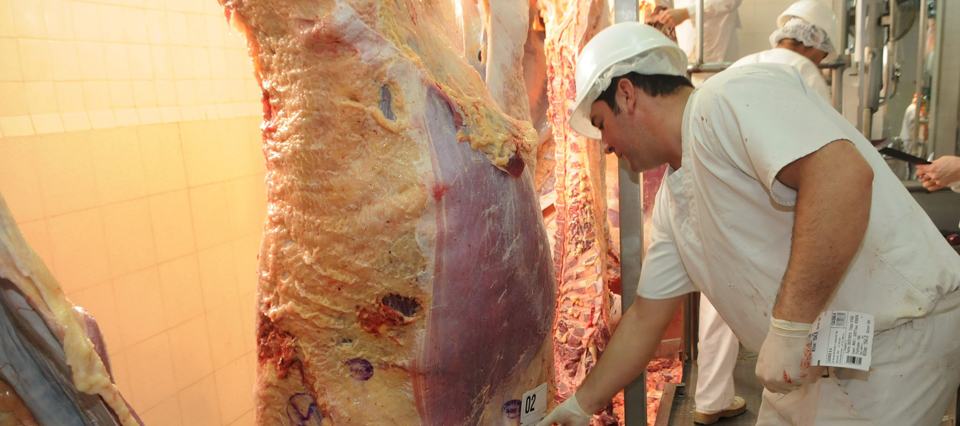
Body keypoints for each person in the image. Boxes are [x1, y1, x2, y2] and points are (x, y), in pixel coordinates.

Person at [538, 22, 960, 426]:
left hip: (894, 338)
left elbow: (841, 177)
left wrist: (790, 327)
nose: (606, 145)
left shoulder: (728, 97)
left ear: (627, 94)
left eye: (601, 124)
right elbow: (646, 317)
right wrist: (581, 404)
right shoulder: (673, 202)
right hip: (811, 362)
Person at [731, 0, 838, 101]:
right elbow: (821, 114)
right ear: (816, 42)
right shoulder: (806, 73)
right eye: (824, 55)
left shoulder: (740, 64)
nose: (819, 63)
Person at [655, 0, 742, 85]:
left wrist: (686, 13)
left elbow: (730, 1)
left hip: (715, 49)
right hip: (688, 50)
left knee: (714, 87)